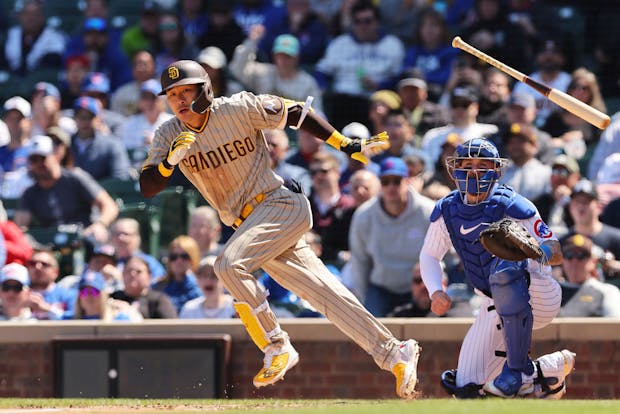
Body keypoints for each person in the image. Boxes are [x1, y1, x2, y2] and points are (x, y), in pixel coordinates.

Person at [139, 59, 420, 399]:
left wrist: (345, 144)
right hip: (251, 227)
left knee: (227, 265)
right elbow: (148, 187)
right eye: (172, 95)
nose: (180, 100)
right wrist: (169, 161)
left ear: (206, 89)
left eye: (186, 91)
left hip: (279, 204)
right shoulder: (169, 133)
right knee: (326, 295)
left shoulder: (237, 108)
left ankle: (276, 345)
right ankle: (394, 352)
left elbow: (296, 112)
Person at [419, 137, 576, 399]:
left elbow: (556, 251)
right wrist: (435, 291)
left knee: (505, 268)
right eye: (467, 165)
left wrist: (534, 253)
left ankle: (518, 371)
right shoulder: (447, 208)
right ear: (454, 168)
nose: (473, 172)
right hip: (491, 304)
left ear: (496, 170)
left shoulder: (512, 204)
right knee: (467, 388)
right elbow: (429, 255)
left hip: (538, 293)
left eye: (482, 165)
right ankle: (545, 375)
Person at [347, 156, 435, 316]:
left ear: (407, 180)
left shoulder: (428, 211)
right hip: (381, 289)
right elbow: (360, 261)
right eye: (385, 181)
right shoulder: (363, 215)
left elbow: (441, 256)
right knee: (370, 335)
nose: (391, 186)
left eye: (396, 180)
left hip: (421, 289)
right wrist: (364, 296)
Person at [14, 135, 119, 244]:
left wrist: (100, 224)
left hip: (84, 238)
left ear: (55, 156)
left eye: (43, 158)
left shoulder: (75, 177)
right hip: (51, 245)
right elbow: (20, 227)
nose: (40, 164)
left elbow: (109, 206)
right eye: (34, 160)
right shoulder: (30, 193)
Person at [230, 30, 323, 113]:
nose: (283, 60)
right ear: (274, 56)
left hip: (294, 129)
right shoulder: (264, 73)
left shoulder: (307, 83)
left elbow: (317, 113)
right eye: (280, 55)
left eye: (288, 56)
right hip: (264, 127)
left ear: (297, 58)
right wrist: (251, 42)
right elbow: (237, 70)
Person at [558, 234, 620, 317]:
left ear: (593, 261)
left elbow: (614, 326)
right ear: (563, 261)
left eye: (581, 255)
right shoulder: (552, 290)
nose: (574, 261)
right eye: (569, 256)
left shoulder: (607, 291)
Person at [111, 255, 177, 319]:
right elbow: (100, 295)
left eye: (138, 271)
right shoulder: (113, 297)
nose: (132, 274)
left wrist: (131, 313)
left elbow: (171, 327)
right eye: (128, 271)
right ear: (122, 274)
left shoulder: (159, 300)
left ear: (149, 276)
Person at [152, 235, 203, 313]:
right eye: (174, 257)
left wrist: (189, 278)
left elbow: (200, 301)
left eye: (184, 256)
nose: (179, 261)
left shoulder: (204, 282)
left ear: (193, 258)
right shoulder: (159, 285)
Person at [25, 249, 76, 320]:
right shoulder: (16, 293)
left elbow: (76, 319)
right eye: (33, 263)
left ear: (56, 272)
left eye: (44, 264)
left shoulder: (69, 295)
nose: (37, 267)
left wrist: (48, 309)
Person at [73, 270, 143, 321]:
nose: (89, 296)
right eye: (84, 292)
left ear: (103, 295)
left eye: (94, 291)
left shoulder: (120, 320)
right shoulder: (67, 320)